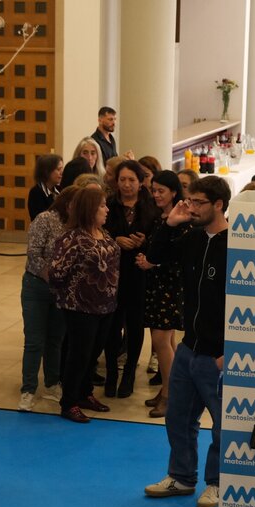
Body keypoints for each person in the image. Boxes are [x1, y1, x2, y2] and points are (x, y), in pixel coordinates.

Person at [142, 176, 230, 507]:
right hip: (188, 348)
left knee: (222, 426)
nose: (190, 207)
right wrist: (170, 223)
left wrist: (230, 352)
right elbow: (155, 256)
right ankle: (181, 477)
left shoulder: (237, 244)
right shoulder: (191, 238)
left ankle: (217, 482)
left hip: (217, 354)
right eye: (189, 201)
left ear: (218, 204)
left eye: (198, 202)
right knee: (178, 418)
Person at [49, 186, 119, 423]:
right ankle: (69, 402)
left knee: (93, 354)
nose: (107, 209)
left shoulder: (103, 233)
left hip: (106, 305)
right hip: (80, 307)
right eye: (102, 205)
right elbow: (56, 273)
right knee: (79, 355)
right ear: (89, 209)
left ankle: (85, 393)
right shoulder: (72, 238)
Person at [18, 187, 77, 412]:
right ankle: (28, 390)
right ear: (67, 204)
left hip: (61, 289)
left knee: (55, 339)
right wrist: (51, 276)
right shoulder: (45, 219)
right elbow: (34, 253)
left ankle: (52, 384)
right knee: (34, 340)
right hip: (37, 286)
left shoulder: (78, 226)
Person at [104, 159, 157, 398]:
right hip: (111, 273)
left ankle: (128, 375)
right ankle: (111, 373)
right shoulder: (108, 204)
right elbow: (99, 232)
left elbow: (158, 238)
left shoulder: (151, 206)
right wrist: (115, 240)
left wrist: (144, 242)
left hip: (138, 273)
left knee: (135, 326)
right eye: (122, 180)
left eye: (131, 180)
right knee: (112, 326)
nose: (126, 185)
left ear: (141, 182)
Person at [135, 170, 185, 418]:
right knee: (167, 340)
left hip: (170, 286)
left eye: (161, 191)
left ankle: (170, 395)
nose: (156, 195)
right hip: (157, 285)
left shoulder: (181, 220)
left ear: (174, 192)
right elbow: (157, 248)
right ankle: (167, 388)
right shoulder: (160, 217)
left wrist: (152, 263)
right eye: (153, 190)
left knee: (161, 341)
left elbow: (178, 258)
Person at [28, 153, 62, 221]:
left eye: (62, 169)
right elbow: (39, 220)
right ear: (47, 171)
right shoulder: (36, 192)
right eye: (58, 169)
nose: (61, 173)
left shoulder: (60, 189)